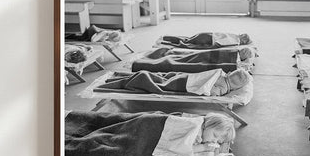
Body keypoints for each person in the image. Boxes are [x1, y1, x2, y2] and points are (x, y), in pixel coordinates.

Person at [99, 68, 251, 97]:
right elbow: (212, 92)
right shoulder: (224, 88)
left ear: (231, 74)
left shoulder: (222, 75)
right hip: (184, 85)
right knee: (153, 82)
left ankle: (115, 78)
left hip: (185, 78)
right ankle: (116, 81)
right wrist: (216, 93)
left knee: (156, 78)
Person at [159, 32, 251, 49]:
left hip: (208, 34)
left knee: (187, 39)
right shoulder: (236, 41)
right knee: (186, 43)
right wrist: (212, 47)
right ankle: (165, 42)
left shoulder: (233, 35)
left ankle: (166, 38)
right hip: (209, 39)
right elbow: (221, 43)